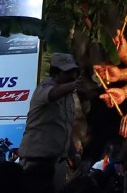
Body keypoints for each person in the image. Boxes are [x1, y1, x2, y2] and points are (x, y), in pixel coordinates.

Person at [19, 52, 83, 184]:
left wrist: (74, 155)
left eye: (73, 71)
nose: (72, 76)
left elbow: (64, 129)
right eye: (67, 72)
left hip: (58, 163)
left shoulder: (69, 97)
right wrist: (73, 85)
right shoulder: (44, 88)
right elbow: (52, 94)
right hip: (35, 161)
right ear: (55, 73)